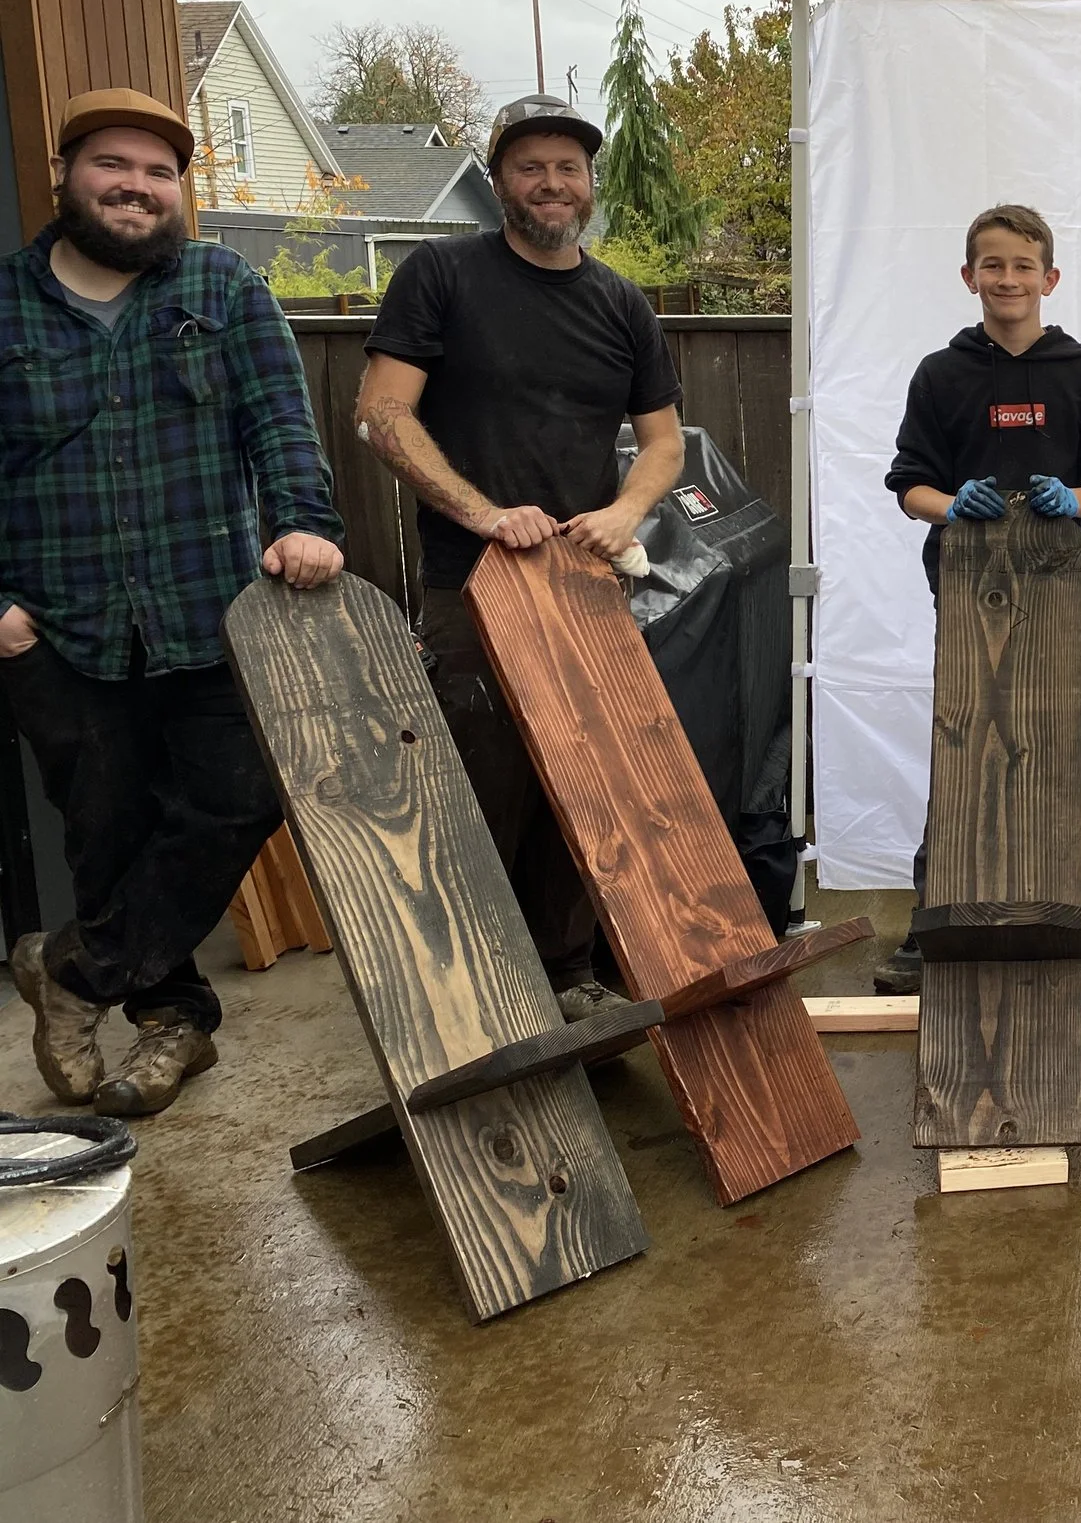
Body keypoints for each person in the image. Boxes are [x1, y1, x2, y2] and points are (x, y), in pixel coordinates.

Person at [2, 88, 345, 1115]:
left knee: (243, 794)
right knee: (105, 830)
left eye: (159, 172)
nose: (137, 186)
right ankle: (174, 1024)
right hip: (57, 626)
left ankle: (73, 973)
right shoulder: (6, 304)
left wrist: (305, 522)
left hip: (210, 610)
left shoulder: (223, 286)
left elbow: (280, 422)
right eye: (114, 164)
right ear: (65, 176)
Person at [354, 94, 684, 1019]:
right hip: (474, 584)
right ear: (499, 180)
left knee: (586, 785)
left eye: (567, 167)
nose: (551, 183)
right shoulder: (442, 274)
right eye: (530, 166)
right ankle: (469, 993)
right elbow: (381, 413)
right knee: (480, 788)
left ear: (589, 184)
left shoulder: (621, 303)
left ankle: (567, 974)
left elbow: (663, 444)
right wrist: (486, 514)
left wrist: (624, 512)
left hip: (585, 585)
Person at [874, 203, 1081, 994]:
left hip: (1059, 587)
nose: (1008, 279)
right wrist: (950, 504)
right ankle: (931, 920)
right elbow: (909, 484)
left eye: (1023, 266)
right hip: (966, 584)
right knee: (962, 741)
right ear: (969, 276)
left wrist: (1073, 500)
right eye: (992, 265)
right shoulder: (942, 374)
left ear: (1050, 277)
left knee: (1053, 743)